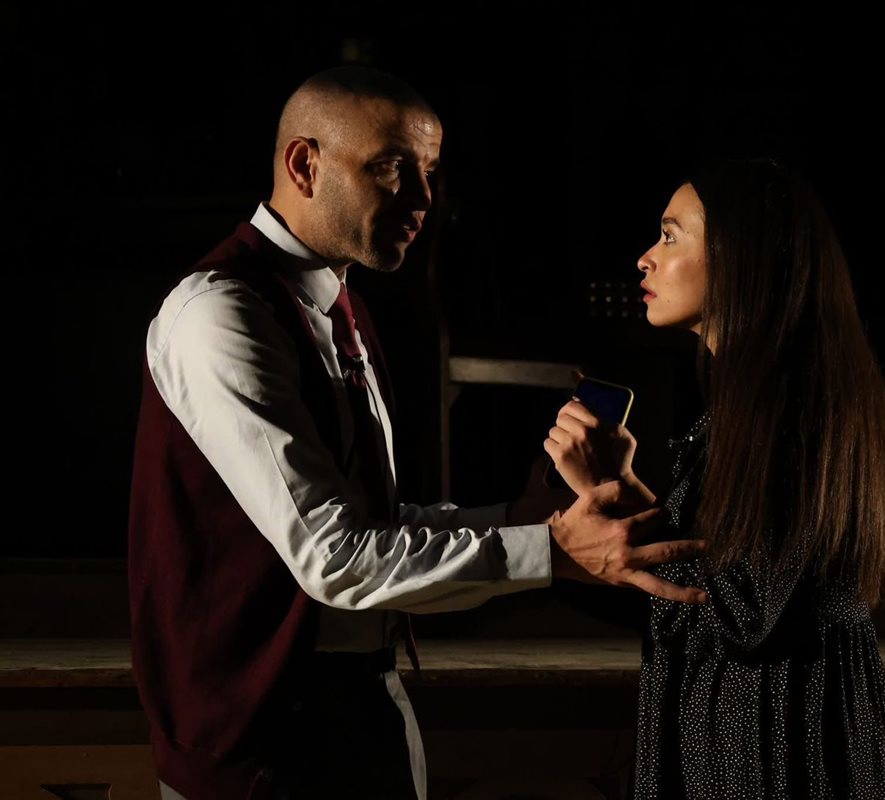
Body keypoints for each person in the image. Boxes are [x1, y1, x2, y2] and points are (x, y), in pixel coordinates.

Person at [127, 65, 706, 800]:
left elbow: (373, 526)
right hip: (257, 747)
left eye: (430, 173)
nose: (424, 199)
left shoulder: (340, 305)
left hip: (361, 709)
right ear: (304, 165)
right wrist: (551, 552)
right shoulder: (222, 314)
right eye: (392, 168)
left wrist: (523, 519)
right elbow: (335, 557)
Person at [546, 159, 885, 798]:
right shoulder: (766, 399)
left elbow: (742, 607)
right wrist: (615, 489)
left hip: (772, 739)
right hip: (759, 723)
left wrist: (592, 524)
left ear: (742, 259)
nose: (645, 258)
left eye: (670, 236)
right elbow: (729, 565)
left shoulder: (790, 405)